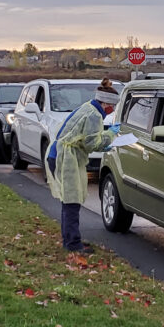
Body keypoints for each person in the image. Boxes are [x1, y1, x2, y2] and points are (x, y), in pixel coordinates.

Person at [45, 78, 121, 254]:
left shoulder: (88, 107)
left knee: (68, 202)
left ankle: (70, 239)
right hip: (66, 159)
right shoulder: (94, 115)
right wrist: (110, 135)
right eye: (112, 106)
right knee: (72, 201)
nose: (112, 110)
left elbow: (85, 137)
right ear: (105, 103)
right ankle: (73, 243)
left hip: (59, 154)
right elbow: (91, 143)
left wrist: (104, 140)